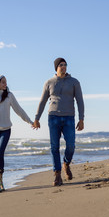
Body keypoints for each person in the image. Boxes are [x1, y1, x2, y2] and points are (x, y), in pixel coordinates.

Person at [33, 57, 85, 186]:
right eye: (61, 65)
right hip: (53, 117)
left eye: (65, 65)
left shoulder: (74, 82)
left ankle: (66, 164)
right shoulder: (49, 82)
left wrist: (81, 118)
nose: (64, 67)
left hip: (69, 118)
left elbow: (80, 100)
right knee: (54, 147)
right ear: (56, 67)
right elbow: (43, 101)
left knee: (71, 145)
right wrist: (37, 118)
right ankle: (57, 174)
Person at [0, 74, 33, 194]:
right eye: (2, 82)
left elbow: (19, 110)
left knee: (0, 153)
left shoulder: (9, 96)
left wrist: (30, 122)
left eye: (5, 82)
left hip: (6, 129)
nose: (5, 84)